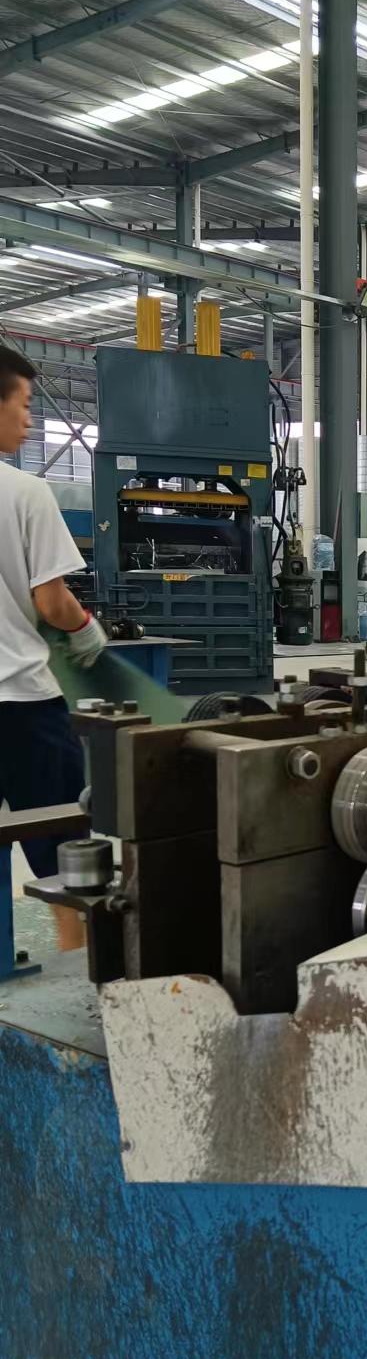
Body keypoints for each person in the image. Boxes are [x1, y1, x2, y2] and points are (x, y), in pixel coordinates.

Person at [0, 345, 107, 946]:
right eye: (23, 404)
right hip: (20, 703)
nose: (30, 420)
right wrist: (85, 626)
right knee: (66, 852)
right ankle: (77, 971)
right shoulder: (24, 492)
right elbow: (51, 601)